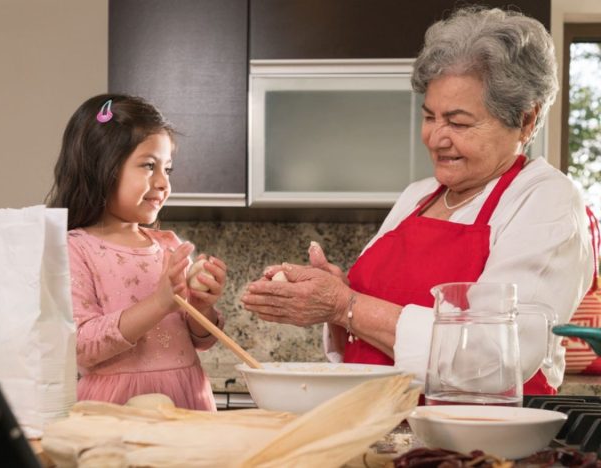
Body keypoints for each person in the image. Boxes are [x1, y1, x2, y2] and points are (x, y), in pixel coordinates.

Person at [241, 6, 595, 395]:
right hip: (380, 427)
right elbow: (366, 323)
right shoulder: (416, 197)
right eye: (430, 117)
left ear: (526, 121)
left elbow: (495, 358)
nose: (435, 138)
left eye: (458, 123)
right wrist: (334, 295)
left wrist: (347, 306)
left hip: (472, 445)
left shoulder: (546, 200)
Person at [47, 94, 227, 410]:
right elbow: (83, 345)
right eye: (148, 166)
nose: (163, 183)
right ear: (101, 166)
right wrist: (160, 303)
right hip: (116, 406)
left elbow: (203, 339)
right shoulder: (76, 248)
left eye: (167, 169)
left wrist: (201, 306)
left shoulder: (169, 246)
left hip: (187, 400)